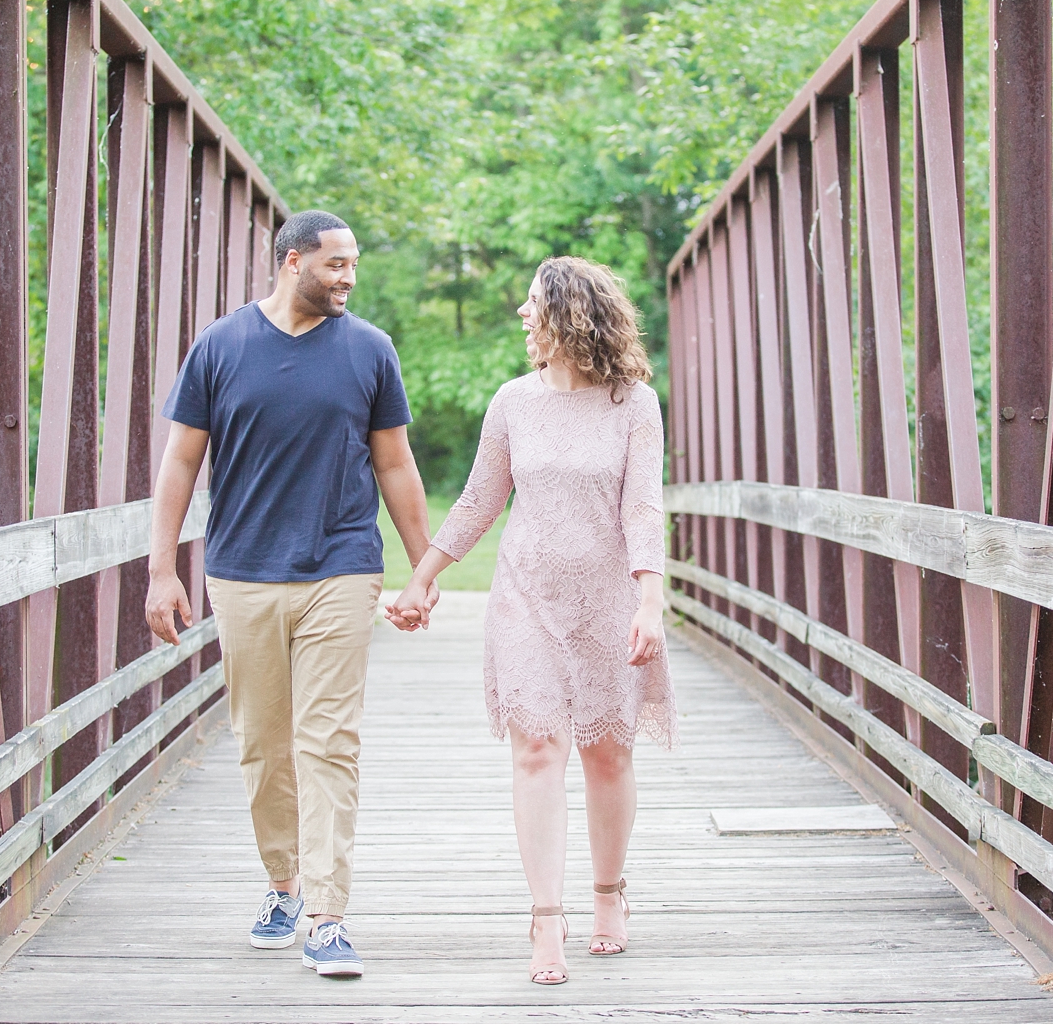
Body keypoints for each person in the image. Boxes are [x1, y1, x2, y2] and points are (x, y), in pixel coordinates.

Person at [144, 209, 436, 979]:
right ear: (291, 261)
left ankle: (329, 916)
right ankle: (284, 884)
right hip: (240, 570)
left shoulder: (370, 351)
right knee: (263, 744)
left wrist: (421, 569)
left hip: (341, 566)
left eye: (354, 265)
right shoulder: (221, 346)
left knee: (328, 740)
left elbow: (397, 466)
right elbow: (179, 463)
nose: (348, 277)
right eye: (335, 264)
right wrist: (161, 568)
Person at [387, 255, 675, 986]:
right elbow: (480, 500)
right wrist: (422, 578)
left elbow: (643, 505)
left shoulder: (633, 403)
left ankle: (609, 893)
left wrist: (650, 598)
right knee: (538, 748)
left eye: (530, 303)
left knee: (607, 752)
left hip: (609, 598)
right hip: (525, 597)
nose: (521, 315)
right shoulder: (512, 401)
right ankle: (547, 916)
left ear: (568, 312)